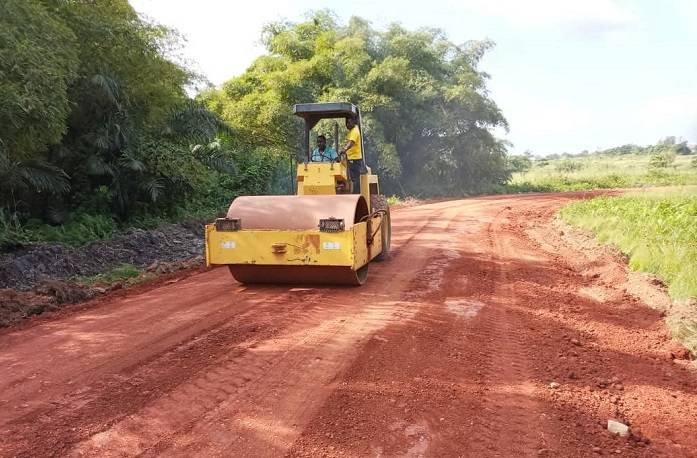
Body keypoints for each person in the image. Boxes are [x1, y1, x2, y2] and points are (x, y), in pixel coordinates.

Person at [340, 116, 363, 193]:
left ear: (354, 122)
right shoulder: (352, 131)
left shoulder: (355, 131)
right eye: (346, 123)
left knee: (354, 179)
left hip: (355, 159)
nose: (347, 124)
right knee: (349, 177)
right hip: (350, 158)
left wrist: (344, 149)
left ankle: (356, 195)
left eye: (349, 122)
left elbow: (351, 143)